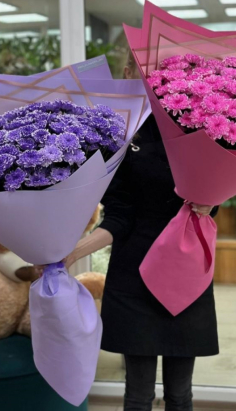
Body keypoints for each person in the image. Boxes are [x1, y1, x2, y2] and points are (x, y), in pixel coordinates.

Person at [64, 52, 219, 411]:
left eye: (163, 69)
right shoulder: (116, 133)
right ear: (127, 72)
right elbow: (119, 216)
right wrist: (72, 252)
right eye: (144, 68)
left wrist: (211, 202)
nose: (154, 76)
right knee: (137, 395)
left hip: (184, 273)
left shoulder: (198, 124)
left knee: (180, 395)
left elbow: (215, 192)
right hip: (133, 277)